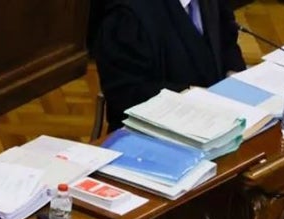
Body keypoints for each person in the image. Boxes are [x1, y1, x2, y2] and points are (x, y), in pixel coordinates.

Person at [92, 0, 247, 130]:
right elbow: (126, 94)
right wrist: (190, 94)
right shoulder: (125, 14)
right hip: (154, 135)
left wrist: (233, 73)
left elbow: (227, 39)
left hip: (218, 122)